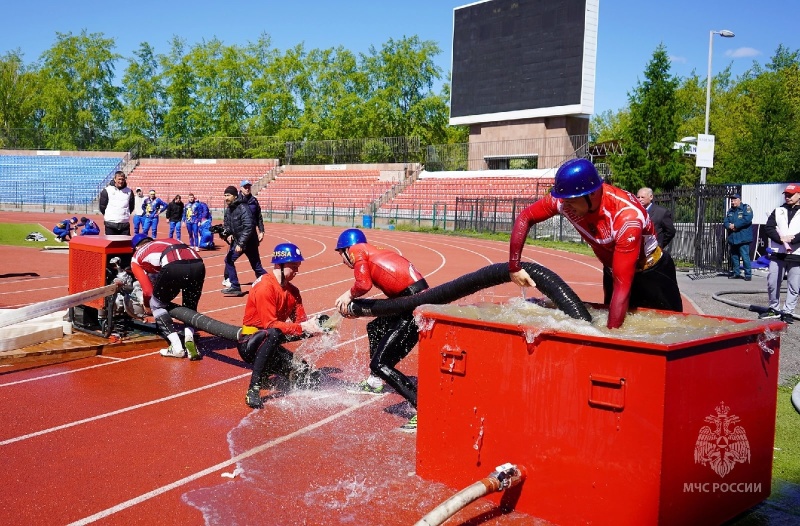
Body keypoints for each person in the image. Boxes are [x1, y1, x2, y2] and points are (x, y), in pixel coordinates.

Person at [508, 158, 683, 330]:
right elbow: (526, 217)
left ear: (591, 193)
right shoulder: (566, 201)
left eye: (570, 200)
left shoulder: (626, 218)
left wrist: (609, 337)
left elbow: (622, 287)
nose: (565, 206)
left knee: (667, 329)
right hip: (614, 270)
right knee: (618, 323)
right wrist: (514, 266)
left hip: (652, 274)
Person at [334, 228, 429, 432]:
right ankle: (375, 381)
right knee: (375, 327)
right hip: (411, 302)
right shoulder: (377, 252)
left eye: (341, 254)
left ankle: (423, 409)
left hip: (412, 308)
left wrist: (348, 296)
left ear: (346, 249)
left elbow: (363, 284)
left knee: (380, 363)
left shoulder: (357, 250)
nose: (343, 261)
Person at [238, 243, 325, 409]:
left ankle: (266, 373)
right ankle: (253, 389)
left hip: (272, 345)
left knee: (308, 376)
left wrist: (318, 327)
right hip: (250, 344)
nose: (296, 271)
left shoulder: (294, 291)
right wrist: (304, 327)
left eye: (297, 267)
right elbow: (270, 324)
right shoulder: (265, 287)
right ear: (280, 264)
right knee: (273, 333)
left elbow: (301, 323)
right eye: (293, 266)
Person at [129, 233, 205, 360]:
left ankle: (176, 347)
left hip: (173, 266)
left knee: (156, 304)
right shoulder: (168, 240)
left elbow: (148, 291)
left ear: (135, 248)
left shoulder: (136, 257)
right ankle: (190, 341)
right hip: (198, 264)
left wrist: (148, 305)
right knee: (190, 305)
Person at [759, 184, 800, 324]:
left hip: (797, 254)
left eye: (791, 194)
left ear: (799, 195)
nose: (787, 197)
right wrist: (780, 239)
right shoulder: (778, 211)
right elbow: (769, 228)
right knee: (772, 282)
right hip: (778, 254)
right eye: (786, 194)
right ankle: (774, 309)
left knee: (794, 285)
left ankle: (788, 311)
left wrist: (793, 239)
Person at [220, 185, 266, 295]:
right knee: (229, 260)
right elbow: (228, 226)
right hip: (239, 241)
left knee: (257, 267)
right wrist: (223, 233)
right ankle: (235, 286)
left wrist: (241, 243)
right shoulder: (229, 210)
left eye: (228, 195)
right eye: (225, 195)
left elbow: (249, 226)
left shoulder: (243, 207)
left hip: (249, 242)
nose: (226, 198)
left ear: (235, 196)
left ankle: (270, 284)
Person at [724, 193, 754, 281]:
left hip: (743, 238)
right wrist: (728, 226)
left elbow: (747, 219)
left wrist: (735, 225)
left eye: (734, 200)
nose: (732, 202)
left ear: (739, 200)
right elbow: (725, 221)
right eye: (731, 200)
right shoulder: (730, 211)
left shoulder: (746, 208)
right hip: (733, 238)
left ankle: (748, 274)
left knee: (745, 256)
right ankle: (736, 273)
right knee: (734, 257)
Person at [98, 171, 135, 235]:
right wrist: (110, 215)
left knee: (125, 244)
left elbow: (131, 207)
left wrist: (125, 215)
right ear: (115, 179)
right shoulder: (107, 190)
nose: (121, 181)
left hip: (124, 224)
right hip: (110, 224)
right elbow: (102, 207)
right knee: (111, 244)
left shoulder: (129, 192)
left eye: (123, 179)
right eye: (119, 179)